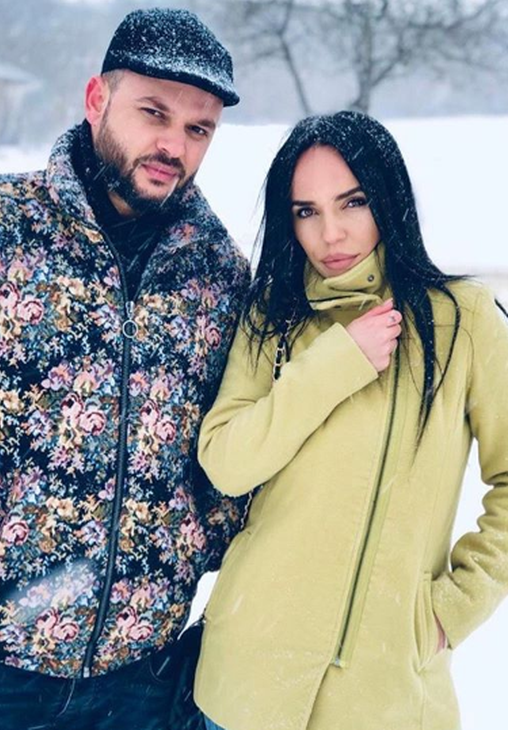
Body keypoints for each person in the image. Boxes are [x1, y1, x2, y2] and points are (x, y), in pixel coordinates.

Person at [0, 8, 250, 730]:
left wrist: (193, 540)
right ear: (97, 99)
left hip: (141, 676)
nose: (174, 145)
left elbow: (242, 423)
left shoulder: (218, 274)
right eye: (154, 113)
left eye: (198, 129)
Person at [193, 110, 508, 730]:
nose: (330, 234)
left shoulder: (463, 320)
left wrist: (453, 608)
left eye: (353, 202)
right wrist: (335, 363)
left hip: (387, 696)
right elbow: (226, 463)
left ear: (388, 199)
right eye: (305, 211)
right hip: (247, 684)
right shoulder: (272, 315)